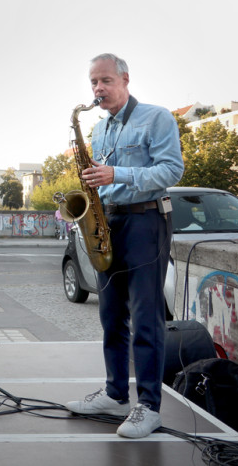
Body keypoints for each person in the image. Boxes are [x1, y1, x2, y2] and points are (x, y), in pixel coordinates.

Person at [66, 54, 184, 439]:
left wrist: (117, 173)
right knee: (110, 314)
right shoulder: (99, 130)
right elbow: (100, 180)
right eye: (92, 83)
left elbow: (171, 170)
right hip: (109, 220)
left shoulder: (156, 117)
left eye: (104, 81)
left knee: (146, 316)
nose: (97, 89)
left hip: (147, 219)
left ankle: (148, 406)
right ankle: (116, 392)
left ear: (124, 79)